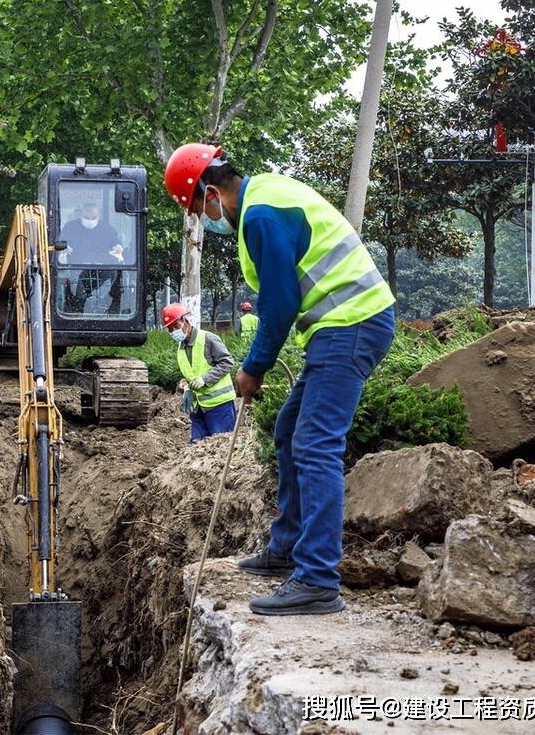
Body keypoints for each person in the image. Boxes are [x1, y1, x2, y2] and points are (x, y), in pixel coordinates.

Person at [164, 143, 396, 617]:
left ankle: (316, 579)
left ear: (211, 194)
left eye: (195, 209)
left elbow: (280, 303)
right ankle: (287, 548)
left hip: (351, 323)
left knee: (314, 443)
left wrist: (253, 367)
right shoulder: (262, 197)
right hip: (342, 326)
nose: (201, 220)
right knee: (291, 430)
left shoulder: (262, 217)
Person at [161, 302, 237, 442]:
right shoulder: (180, 349)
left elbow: (227, 362)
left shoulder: (208, 339)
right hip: (198, 408)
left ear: (185, 321)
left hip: (220, 406)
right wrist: (184, 385)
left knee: (222, 446)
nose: (173, 332)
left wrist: (204, 379)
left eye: (176, 326)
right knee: (196, 450)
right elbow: (191, 374)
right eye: (170, 329)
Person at [59, 202, 125, 314]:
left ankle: (107, 305)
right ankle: (76, 311)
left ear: (99, 215)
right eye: (87, 217)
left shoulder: (107, 229)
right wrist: (64, 247)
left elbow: (117, 243)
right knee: (77, 291)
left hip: (101, 269)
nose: (90, 220)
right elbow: (61, 242)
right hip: (76, 267)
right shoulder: (70, 227)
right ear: (82, 214)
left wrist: (118, 247)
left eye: (93, 217)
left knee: (115, 274)